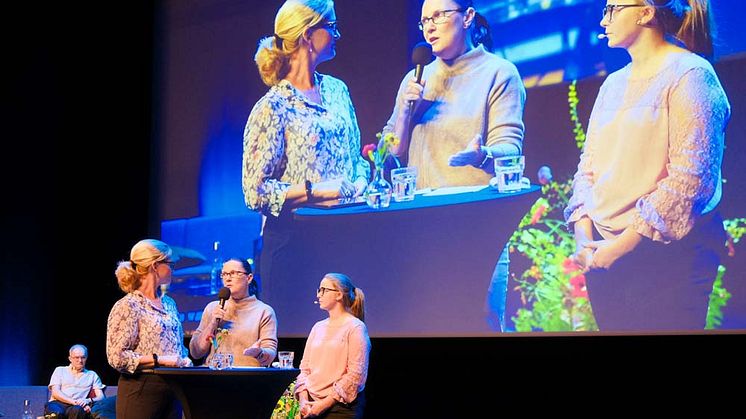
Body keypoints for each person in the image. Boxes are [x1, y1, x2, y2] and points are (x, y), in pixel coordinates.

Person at [564, 0, 730, 330]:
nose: (604, 18)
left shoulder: (690, 75)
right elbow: (589, 167)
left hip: (667, 257)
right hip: (605, 251)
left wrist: (623, 245)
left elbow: (692, 178)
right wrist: (585, 239)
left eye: (613, 9)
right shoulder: (612, 83)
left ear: (645, 12)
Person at [382, 0, 526, 331]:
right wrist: (404, 110)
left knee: (479, 325)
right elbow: (393, 151)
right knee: (424, 325)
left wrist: (483, 154)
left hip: (477, 224)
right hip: (422, 226)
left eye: (438, 16)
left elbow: (511, 147)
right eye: (423, 21)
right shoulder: (416, 79)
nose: (429, 26)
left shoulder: (499, 73)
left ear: (468, 17)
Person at [243, 0, 370, 296]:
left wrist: (360, 182)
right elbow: (255, 191)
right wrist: (319, 190)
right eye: (332, 26)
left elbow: (356, 161)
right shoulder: (272, 107)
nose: (338, 34)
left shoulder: (338, 90)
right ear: (307, 35)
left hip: (349, 236)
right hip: (296, 245)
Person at [106, 239, 193, 419]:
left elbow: (177, 346)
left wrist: (184, 360)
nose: (173, 269)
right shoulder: (128, 305)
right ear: (155, 266)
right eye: (170, 263)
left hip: (172, 389)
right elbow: (116, 356)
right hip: (142, 389)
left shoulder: (169, 303)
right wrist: (159, 359)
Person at [295, 273, 369, 419]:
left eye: (324, 290)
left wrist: (324, 404)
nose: (318, 295)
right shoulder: (317, 327)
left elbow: (356, 375)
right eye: (319, 290)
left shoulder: (355, 327)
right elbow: (305, 368)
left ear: (339, 295)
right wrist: (303, 400)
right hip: (311, 404)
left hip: (339, 408)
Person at [189, 258, 278, 367]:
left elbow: (270, 353)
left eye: (233, 273)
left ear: (249, 278)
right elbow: (195, 353)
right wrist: (212, 323)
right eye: (224, 274)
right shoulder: (212, 308)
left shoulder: (264, 311)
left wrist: (259, 352)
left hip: (247, 378)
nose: (227, 278)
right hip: (213, 377)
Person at [44, 344, 104, 419]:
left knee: (78, 410)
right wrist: (74, 401)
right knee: (56, 413)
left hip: (76, 406)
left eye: (83, 357)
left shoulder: (92, 375)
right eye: (76, 357)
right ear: (70, 358)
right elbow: (56, 392)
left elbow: (101, 397)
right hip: (58, 403)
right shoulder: (60, 370)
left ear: (86, 358)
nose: (80, 360)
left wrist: (88, 400)